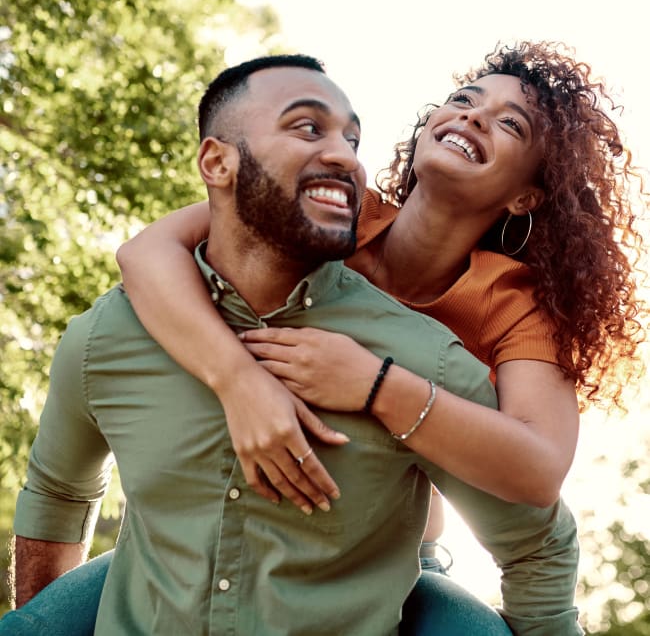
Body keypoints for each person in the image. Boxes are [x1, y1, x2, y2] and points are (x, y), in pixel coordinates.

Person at [5, 54, 584, 635]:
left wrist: (375, 384)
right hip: (177, 564)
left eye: (511, 124)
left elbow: (536, 477)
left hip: (384, 555)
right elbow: (145, 253)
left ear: (526, 197)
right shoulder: (334, 212)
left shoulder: (512, 305)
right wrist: (240, 380)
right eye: (464, 98)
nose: (475, 117)